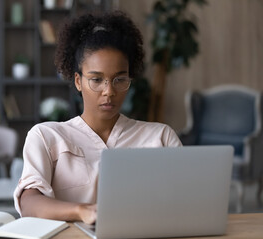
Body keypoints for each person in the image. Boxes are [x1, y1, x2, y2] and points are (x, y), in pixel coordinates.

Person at [13, 11, 182, 225]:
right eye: (96, 79)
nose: (109, 91)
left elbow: (185, 200)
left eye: (120, 79)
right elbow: (29, 204)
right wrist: (82, 211)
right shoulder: (47, 137)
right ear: (78, 81)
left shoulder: (160, 137)